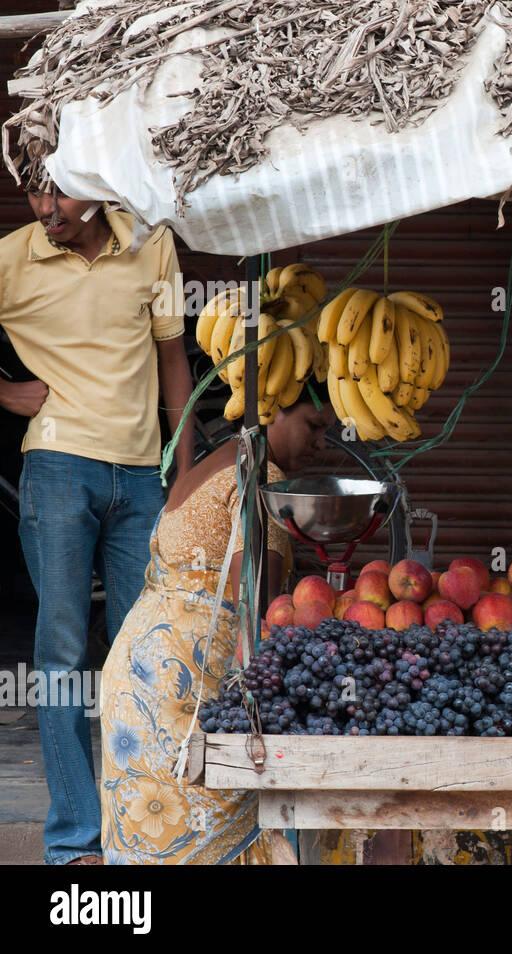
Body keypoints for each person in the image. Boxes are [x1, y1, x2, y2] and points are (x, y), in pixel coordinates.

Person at [0, 168, 195, 865]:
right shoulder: (12, 258)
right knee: (59, 654)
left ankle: (140, 828)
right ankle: (74, 839)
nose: (47, 208)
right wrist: (7, 392)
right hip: (57, 472)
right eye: (33, 194)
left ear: (98, 181)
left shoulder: (154, 245)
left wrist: (181, 468)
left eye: (62, 191)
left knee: (143, 655)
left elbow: (173, 356)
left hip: (141, 477)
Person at [99, 394, 333, 865]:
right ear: (273, 410)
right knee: (202, 831)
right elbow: (254, 609)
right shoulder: (260, 479)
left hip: (135, 677)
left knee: (156, 839)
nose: (322, 445)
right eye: (313, 426)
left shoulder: (216, 460)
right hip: (177, 695)